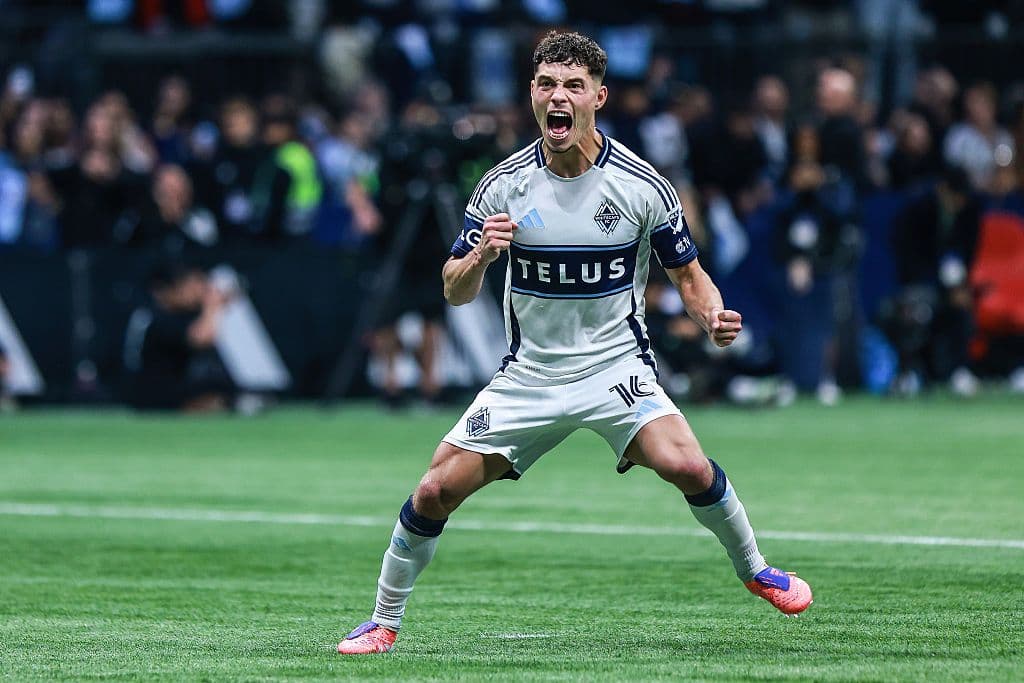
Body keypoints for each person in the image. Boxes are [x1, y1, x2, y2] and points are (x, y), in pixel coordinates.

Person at [337, 31, 812, 656]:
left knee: (690, 466)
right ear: (532, 95)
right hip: (529, 376)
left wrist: (713, 317)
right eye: (545, 84)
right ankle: (382, 620)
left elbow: (689, 276)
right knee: (432, 491)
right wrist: (480, 255)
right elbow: (453, 292)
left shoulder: (642, 187)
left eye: (572, 86)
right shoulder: (500, 187)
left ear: (598, 97)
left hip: (615, 369)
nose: (557, 97)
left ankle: (757, 571)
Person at [122, 261, 234, 412]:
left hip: (155, 386)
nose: (196, 291)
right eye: (188, 285)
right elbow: (202, 338)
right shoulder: (157, 316)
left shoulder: (153, 312)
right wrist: (213, 304)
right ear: (165, 289)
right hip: (155, 393)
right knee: (218, 389)